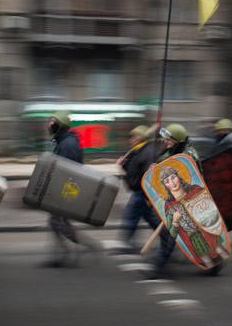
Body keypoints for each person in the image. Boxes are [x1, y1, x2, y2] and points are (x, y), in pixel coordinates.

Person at [41, 111, 102, 267]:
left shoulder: (69, 144)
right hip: (64, 188)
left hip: (67, 190)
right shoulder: (63, 141)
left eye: (52, 121)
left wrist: (58, 191)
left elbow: (68, 171)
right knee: (58, 222)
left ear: (60, 125)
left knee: (57, 221)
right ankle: (68, 253)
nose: (49, 124)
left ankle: (74, 250)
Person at [142, 123, 200, 279]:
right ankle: (163, 261)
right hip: (172, 199)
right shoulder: (169, 152)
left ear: (177, 140)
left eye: (168, 139)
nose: (164, 141)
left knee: (172, 232)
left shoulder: (189, 154)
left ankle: (159, 265)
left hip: (188, 200)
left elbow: (192, 176)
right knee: (174, 234)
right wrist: (156, 169)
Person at [117, 125, 159, 253]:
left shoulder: (147, 152)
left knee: (130, 216)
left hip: (141, 192)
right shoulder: (137, 150)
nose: (131, 139)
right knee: (152, 219)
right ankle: (168, 237)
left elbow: (147, 174)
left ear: (140, 138)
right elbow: (132, 170)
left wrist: (148, 196)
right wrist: (123, 165)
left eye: (134, 137)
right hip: (138, 191)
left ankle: (127, 244)